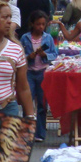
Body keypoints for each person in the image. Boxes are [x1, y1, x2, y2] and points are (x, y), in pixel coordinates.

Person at [20, 11, 57, 142]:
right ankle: (26, 132)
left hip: (42, 72)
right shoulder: (25, 38)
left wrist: (45, 55)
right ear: (32, 24)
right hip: (29, 72)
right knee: (27, 102)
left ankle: (40, 133)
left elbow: (54, 53)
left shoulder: (48, 38)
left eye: (43, 24)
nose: (40, 27)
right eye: (38, 24)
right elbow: (19, 55)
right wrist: (28, 57)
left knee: (42, 103)